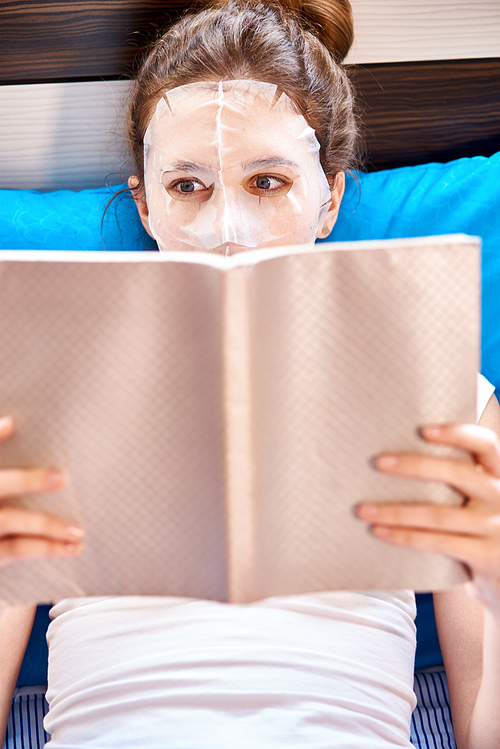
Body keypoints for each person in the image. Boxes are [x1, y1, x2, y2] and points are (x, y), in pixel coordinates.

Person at [1, 1, 500, 747]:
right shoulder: (46, 386)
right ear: (144, 204)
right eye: (187, 186)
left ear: (329, 199)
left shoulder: (441, 389)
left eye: (267, 183)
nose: (226, 231)